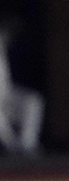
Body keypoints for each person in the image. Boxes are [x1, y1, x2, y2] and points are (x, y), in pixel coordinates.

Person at [0, 19, 45, 157]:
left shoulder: (2, 44)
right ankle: (13, 149)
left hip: (7, 97)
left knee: (33, 101)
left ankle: (28, 146)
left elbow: (13, 26)